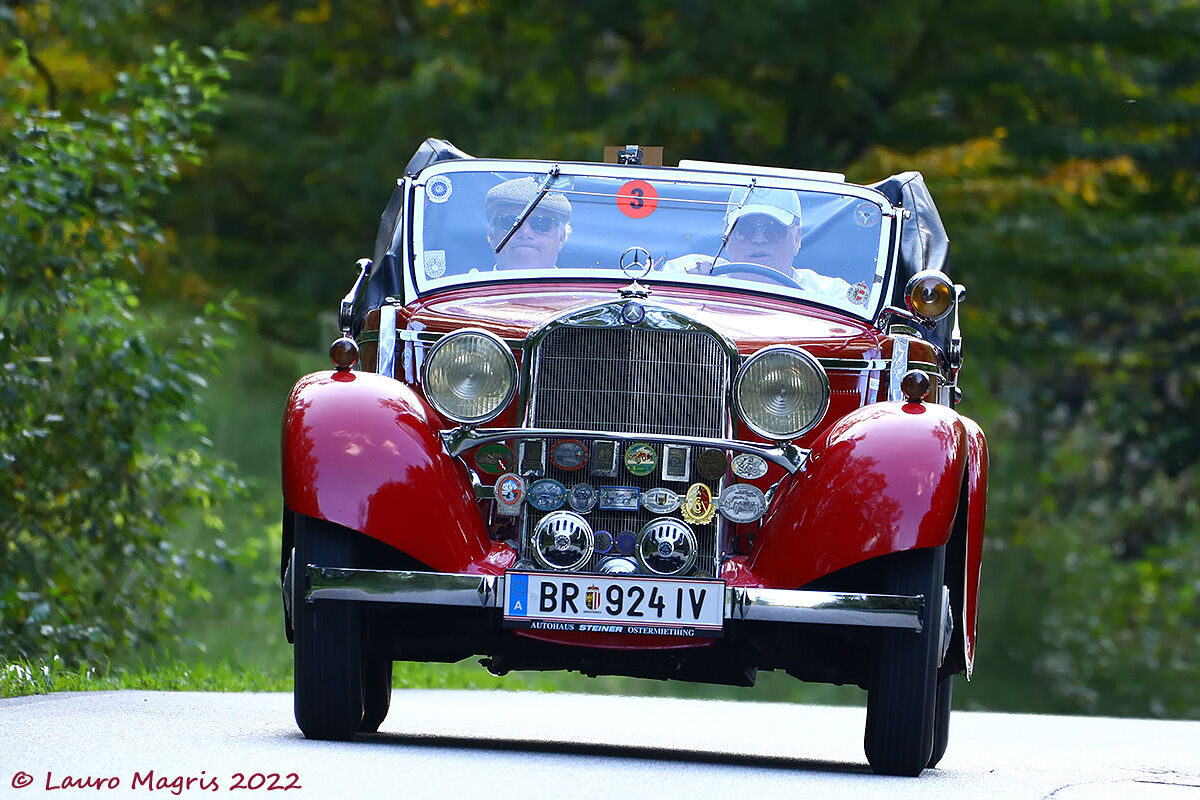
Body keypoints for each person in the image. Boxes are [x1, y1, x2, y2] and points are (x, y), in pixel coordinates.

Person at [662, 186, 852, 299]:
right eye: (745, 229)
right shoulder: (687, 273)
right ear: (727, 237)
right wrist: (691, 293)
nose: (759, 239)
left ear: (796, 238)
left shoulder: (831, 295)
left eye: (774, 230)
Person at [484, 177, 572, 269]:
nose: (525, 232)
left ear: (562, 236)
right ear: (491, 233)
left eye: (540, 223)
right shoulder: (468, 280)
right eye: (510, 221)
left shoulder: (584, 281)